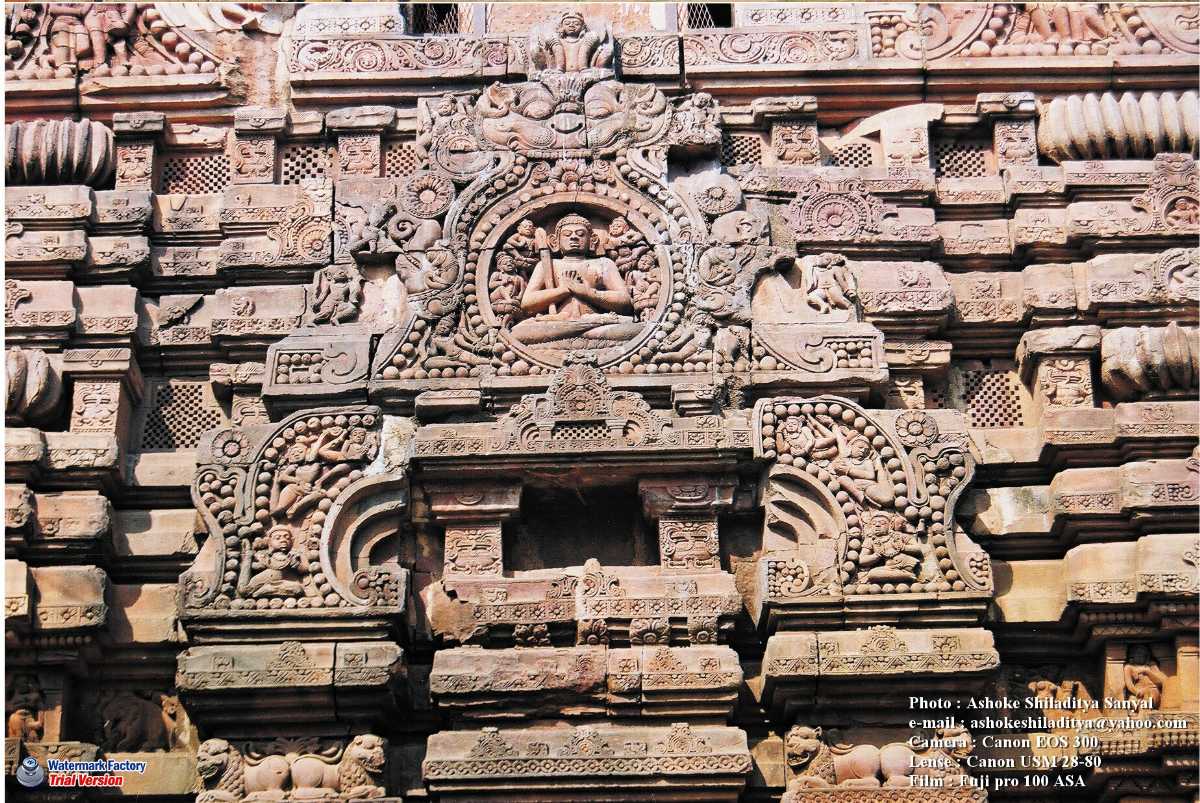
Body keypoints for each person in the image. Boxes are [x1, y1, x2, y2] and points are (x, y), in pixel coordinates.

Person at [510, 214, 642, 347]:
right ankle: (582, 335)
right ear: (554, 242)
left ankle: (571, 335)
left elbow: (624, 301)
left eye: (580, 234)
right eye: (567, 234)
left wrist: (587, 292)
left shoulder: (604, 263)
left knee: (635, 328)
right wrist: (563, 290)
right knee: (518, 332)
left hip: (595, 321)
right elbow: (527, 303)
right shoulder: (549, 265)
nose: (574, 237)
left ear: (592, 240)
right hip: (558, 322)